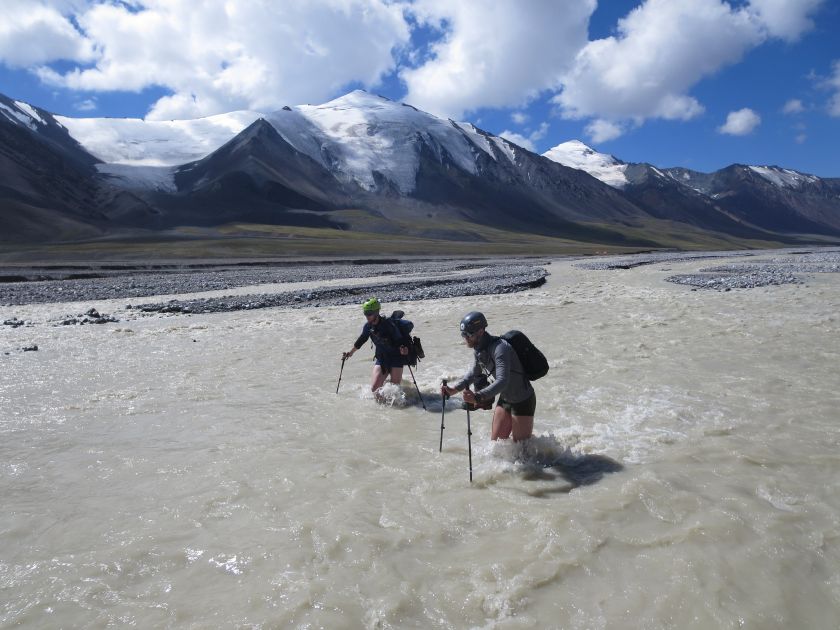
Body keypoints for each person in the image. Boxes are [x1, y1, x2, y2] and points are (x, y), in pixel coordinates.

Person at [440, 311, 535, 442]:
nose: (465, 338)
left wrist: (478, 397)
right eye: (463, 334)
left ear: (480, 331)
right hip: (506, 399)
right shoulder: (479, 350)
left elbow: (503, 380)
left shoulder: (500, 348)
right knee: (496, 444)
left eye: (469, 334)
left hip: (522, 400)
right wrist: (453, 390)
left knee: (522, 452)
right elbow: (473, 373)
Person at [343, 298, 413, 398]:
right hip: (382, 358)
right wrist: (350, 353)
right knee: (374, 389)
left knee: (394, 392)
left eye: (369, 313)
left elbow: (400, 340)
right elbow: (361, 340)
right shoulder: (368, 327)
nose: (367, 316)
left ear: (377, 312)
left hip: (396, 358)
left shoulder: (389, 324)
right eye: (365, 313)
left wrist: (404, 348)